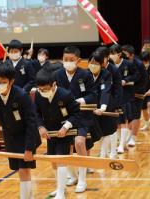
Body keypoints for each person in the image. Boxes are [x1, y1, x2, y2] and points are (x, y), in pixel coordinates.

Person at [0, 61, 41, 199]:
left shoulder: (22, 96)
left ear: (11, 81)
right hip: (10, 136)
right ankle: (29, 196)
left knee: (24, 169)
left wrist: (29, 148)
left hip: (26, 136)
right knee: (19, 169)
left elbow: (31, 122)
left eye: (2, 82)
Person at [54, 46, 97, 193]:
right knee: (65, 148)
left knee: (79, 142)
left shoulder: (85, 75)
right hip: (63, 117)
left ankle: (83, 180)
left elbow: (93, 95)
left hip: (82, 116)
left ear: (78, 60)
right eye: (65, 59)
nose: (68, 62)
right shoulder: (57, 75)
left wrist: (80, 100)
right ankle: (72, 176)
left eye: (71, 60)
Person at [35, 67, 81, 199]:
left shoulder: (65, 95)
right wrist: (40, 127)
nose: (42, 92)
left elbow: (76, 114)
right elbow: (36, 113)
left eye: (45, 89)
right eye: (40, 89)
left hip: (65, 133)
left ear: (54, 84)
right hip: (50, 133)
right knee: (53, 161)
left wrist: (66, 127)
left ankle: (61, 192)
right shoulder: (38, 94)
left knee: (60, 160)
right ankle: (60, 187)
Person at [88, 51, 122, 158]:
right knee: (100, 131)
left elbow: (105, 91)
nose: (93, 65)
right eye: (91, 62)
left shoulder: (106, 74)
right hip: (92, 106)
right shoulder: (85, 74)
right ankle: (103, 152)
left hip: (107, 104)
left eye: (96, 63)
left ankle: (110, 152)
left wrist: (103, 107)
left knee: (109, 129)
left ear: (102, 64)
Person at [109, 44, 140, 153]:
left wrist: (126, 80)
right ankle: (120, 142)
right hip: (114, 97)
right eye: (110, 54)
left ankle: (122, 145)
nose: (111, 56)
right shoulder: (109, 66)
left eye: (113, 54)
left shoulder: (128, 64)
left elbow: (137, 75)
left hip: (126, 96)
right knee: (116, 122)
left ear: (119, 54)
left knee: (124, 120)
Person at [122, 45, 147, 146]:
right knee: (127, 115)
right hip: (126, 93)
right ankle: (126, 136)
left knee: (136, 115)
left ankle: (133, 137)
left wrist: (133, 89)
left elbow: (143, 80)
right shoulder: (123, 64)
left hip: (137, 93)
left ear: (131, 55)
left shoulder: (139, 64)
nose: (123, 57)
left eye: (125, 55)